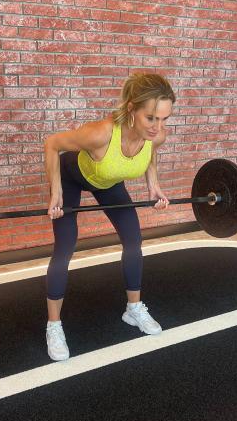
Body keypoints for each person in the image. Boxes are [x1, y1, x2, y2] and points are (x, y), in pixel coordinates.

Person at [42, 73, 175, 361]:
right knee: (65, 247)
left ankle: (133, 309)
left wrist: (153, 183)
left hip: (108, 181)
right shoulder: (101, 133)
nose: (158, 127)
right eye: (151, 118)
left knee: (133, 239)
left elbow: (151, 154)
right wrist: (55, 192)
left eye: (164, 119)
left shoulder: (157, 136)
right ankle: (54, 325)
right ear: (131, 109)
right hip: (71, 177)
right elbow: (53, 143)